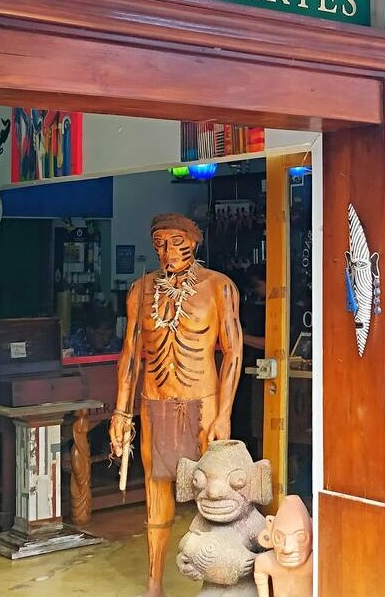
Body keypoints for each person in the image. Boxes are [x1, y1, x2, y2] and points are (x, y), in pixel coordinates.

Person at [109, 213, 243, 597]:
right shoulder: (141, 290)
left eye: (176, 242)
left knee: (215, 492)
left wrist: (224, 413)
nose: (167, 251)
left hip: (204, 403)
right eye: (159, 243)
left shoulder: (219, 287)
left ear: (193, 242)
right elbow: (131, 354)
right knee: (156, 491)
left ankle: (218, 580)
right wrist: (121, 413)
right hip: (155, 402)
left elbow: (232, 352)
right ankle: (154, 583)